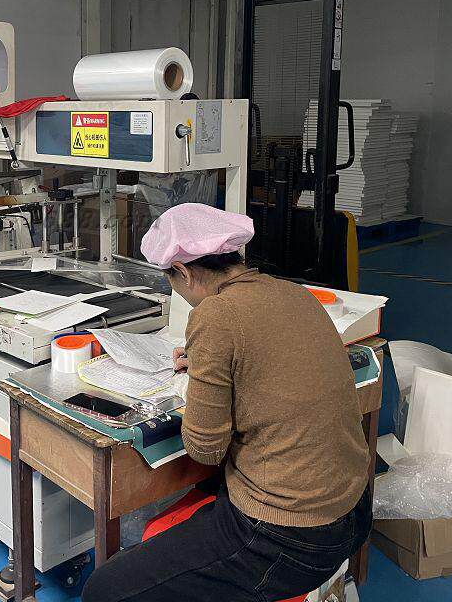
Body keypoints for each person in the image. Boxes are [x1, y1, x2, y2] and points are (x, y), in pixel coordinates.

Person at [81, 202, 371, 602]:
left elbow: (205, 449)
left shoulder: (216, 315)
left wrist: (203, 381)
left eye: (172, 281)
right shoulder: (292, 292)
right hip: (354, 510)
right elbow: (270, 362)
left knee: (103, 590)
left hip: (289, 538)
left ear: (182, 271)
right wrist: (212, 363)